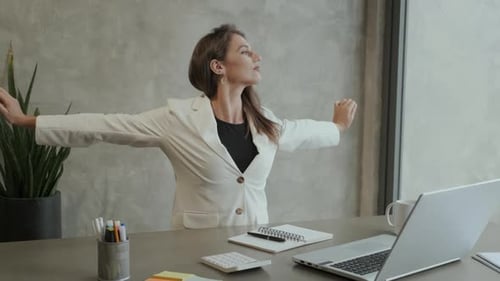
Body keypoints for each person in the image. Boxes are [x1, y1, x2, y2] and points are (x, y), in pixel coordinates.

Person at [0, 24, 357, 229]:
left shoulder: (267, 124)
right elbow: (107, 125)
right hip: (194, 256)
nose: (257, 56)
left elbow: (301, 132)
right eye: (246, 50)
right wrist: (25, 120)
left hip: (255, 251)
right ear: (218, 66)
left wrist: (337, 127)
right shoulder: (178, 120)